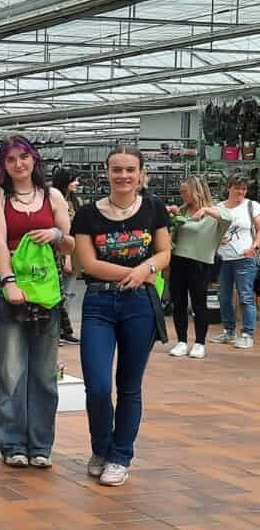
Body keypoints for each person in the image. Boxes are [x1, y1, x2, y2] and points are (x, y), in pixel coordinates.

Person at [73, 145, 171, 486]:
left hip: (139, 305)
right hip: (99, 304)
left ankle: (120, 455)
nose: (124, 176)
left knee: (129, 385)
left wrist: (145, 269)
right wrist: (132, 273)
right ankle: (101, 448)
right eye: (117, 169)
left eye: (130, 169)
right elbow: (89, 264)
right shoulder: (87, 214)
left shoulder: (154, 208)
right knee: (97, 385)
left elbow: (164, 252)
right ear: (106, 171)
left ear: (141, 172)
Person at [0, 135, 74, 468]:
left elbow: (70, 245)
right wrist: (8, 282)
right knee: (11, 370)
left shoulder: (52, 196)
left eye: (23, 157)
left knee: (44, 372)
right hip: (9, 290)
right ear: (3, 165)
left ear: (34, 160)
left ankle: (41, 444)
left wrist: (56, 235)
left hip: (46, 293)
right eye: (10, 159)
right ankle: (12, 443)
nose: (18, 164)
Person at [166, 176, 228, 359]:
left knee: (199, 304)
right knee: (179, 302)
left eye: (185, 191)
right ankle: (181, 341)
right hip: (178, 260)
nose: (182, 195)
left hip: (200, 262)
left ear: (196, 191)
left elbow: (228, 219)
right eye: (181, 191)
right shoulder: (182, 211)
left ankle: (200, 342)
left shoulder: (215, 212)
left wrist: (206, 210)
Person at [210, 174, 260, 350]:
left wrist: (254, 247)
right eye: (237, 187)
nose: (241, 191)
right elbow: (211, 231)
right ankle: (229, 331)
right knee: (223, 296)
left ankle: (247, 333)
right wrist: (217, 239)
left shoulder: (251, 206)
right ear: (229, 188)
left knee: (245, 296)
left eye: (244, 188)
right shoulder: (218, 207)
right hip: (224, 259)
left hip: (245, 259)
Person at [51, 167, 82, 346]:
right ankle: (56, 330)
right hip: (61, 251)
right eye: (74, 180)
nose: (77, 183)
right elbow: (63, 232)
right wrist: (67, 257)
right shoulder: (56, 199)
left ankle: (65, 329)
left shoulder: (74, 201)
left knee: (69, 293)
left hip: (74, 250)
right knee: (58, 293)